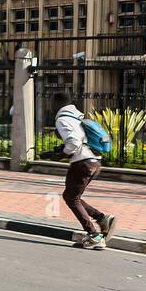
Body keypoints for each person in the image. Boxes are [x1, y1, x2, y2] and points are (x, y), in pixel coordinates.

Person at [54, 95, 116, 250]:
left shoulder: (62, 119)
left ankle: (94, 235)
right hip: (94, 161)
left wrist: (62, 152)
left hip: (82, 162)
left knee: (71, 198)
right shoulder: (76, 117)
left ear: (57, 104)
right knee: (72, 196)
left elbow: (74, 142)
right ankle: (102, 219)